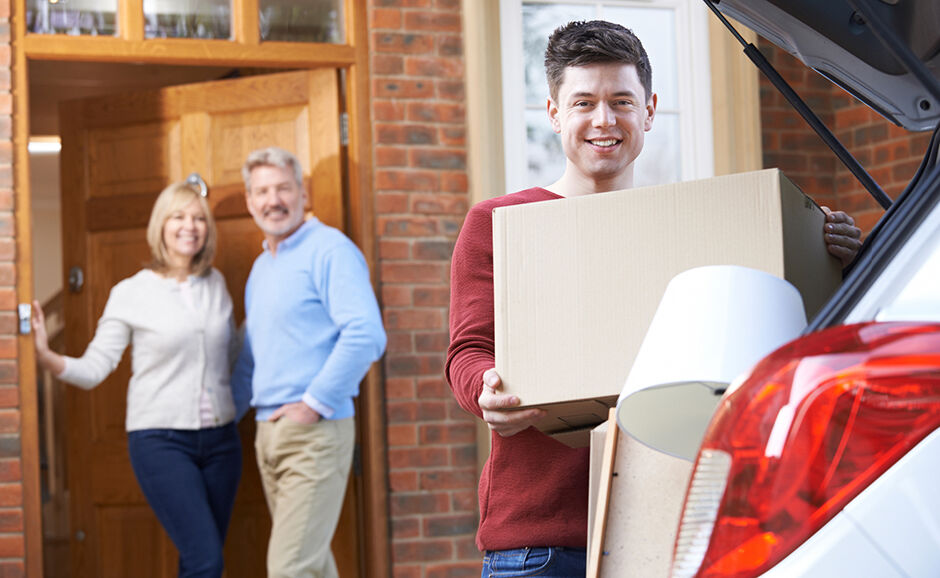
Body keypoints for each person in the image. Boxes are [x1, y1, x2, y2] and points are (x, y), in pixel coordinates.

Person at [445, 20, 863, 577]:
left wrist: (837, 262)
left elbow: (777, 331)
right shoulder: (499, 224)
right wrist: (487, 390)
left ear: (649, 109)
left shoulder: (698, 228)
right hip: (543, 540)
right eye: (583, 102)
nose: (603, 120)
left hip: (670, 531)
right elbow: (469, 350)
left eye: (621, 100)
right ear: (553, 113)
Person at [32, 181, 244, 578]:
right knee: (207, 560)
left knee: (201, 556)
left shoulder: (215, 285)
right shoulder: (130, 292)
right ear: (160, 226)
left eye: (199, 218)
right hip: (161, 441)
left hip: (222, 442)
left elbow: (229, 355)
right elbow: (95, 368)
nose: (190, 226)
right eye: (178, 216)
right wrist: (47, 357)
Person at [231, 146, 387, 578]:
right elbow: (251, 357)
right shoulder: (263, 267)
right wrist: (224, 416)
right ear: (249, 201)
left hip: (314, 431)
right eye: (261, 191)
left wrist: (311, 405)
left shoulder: (329, 250)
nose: (272, 200)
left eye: (282, 187)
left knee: (290, 568)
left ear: (303, 192)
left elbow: (366, 335)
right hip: (269, 434)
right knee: (311, 566)